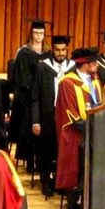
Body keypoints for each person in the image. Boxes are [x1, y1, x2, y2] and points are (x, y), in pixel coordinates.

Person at [55, 47, 102, 209]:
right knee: (75, 170)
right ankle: (72, 207)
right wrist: (89, 127)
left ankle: (89, 205)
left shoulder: (94, 79)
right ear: (85, 64)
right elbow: (70, 112)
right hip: (75, 133)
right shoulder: (67, 83)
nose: (97, 65)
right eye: (94, 62)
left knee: (91, 170)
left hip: (95, 133)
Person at [30, 34, 75, 197]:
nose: (61, 53)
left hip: (66, 116)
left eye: (63, 50)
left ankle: (59, 181)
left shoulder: (73, 67)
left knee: (62, 150)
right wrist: (35, 121)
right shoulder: (43, 67)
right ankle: (45, 181)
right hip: (47, 115)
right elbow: (34, 96)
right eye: (57, 50)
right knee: (45, 149)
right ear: (52, 50)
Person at [8, 19, 49, 172]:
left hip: (43, 98)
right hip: (27, 98)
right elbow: (21, 77)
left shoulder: (48, 53)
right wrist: (32, 92)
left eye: (41, 33)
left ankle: (42, 161)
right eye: (36, 33)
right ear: (31, 33)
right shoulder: (24, 52)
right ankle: (30, 162)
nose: (39, 36)